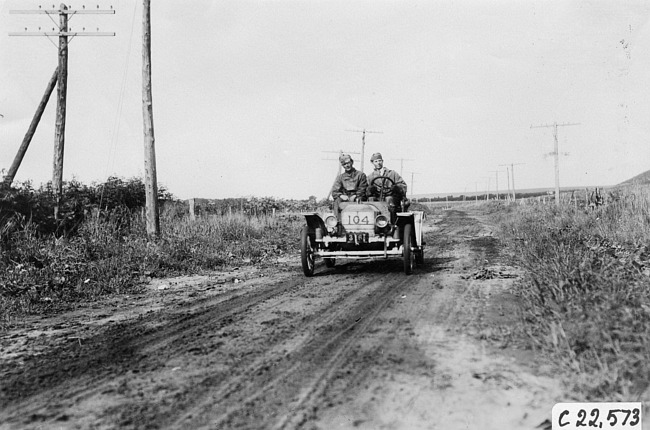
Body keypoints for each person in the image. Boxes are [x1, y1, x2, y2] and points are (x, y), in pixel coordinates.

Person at [330, 154, 368, 222]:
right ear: (342, 166)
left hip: (358, 196)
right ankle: (338, 223)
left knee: (359, 201)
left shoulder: (361, 175)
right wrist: (341, 195)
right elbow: (335, 191)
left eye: (348, 163)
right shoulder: (340, 178)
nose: (347, 165)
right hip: (345, 198)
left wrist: (356, 195)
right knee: (337, 201)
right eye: (344, 164)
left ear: (352, 162)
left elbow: (363, 188)